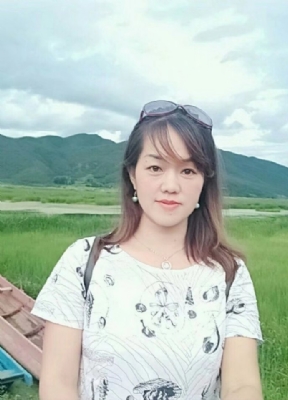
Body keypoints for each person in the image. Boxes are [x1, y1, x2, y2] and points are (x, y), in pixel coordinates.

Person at [31, 100, 263, 400]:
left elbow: (242, 385)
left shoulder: (229, 273)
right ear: (132, 174)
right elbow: (57, 383)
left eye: (188, 170)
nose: (171, 185)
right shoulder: (84, 261)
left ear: (205, 181)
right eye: (155, 167)